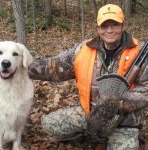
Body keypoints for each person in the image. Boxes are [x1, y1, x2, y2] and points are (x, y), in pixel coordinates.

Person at [28, 4, 148, 150]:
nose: (109, 30)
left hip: (124, 121)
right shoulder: (83, 49)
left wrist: (116, 104)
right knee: (50, 124)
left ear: (123, 26)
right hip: (91, 113)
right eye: (104, 26)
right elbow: (55, 67)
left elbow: (146, 89)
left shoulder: (140, 52)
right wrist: (23, 68)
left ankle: (111, 139)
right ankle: (89, 136)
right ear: (98, 29)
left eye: (115, 25)